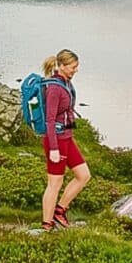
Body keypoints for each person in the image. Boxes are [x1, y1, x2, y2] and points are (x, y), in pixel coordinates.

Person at [38, 49, 91, 232]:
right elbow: (49, 121)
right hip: (57, 142)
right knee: (55, 183)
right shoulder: (54, 88)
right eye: (73, 67)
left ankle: (60, 210)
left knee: (83, 175)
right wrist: (53, 148)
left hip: (67, 138)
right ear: (62, 66)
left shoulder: (66, 83)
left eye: (76, 67)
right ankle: (46, 224)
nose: (75, 70)